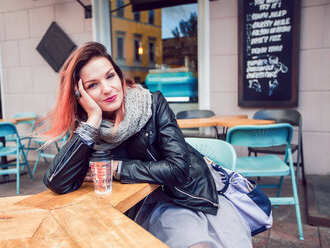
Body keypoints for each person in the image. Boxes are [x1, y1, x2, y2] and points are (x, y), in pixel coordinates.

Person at [42, 42, 252, 248]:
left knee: (195, 241)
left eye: (110, 76)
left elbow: (178, 169)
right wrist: (94, 119)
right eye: (93, 85)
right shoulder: (87, 127)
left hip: (183, 195)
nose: (107, 89)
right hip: (127, 208)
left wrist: (118, 168)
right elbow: (58, 182)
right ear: (80, 96)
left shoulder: (151, 103)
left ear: (118, 75)